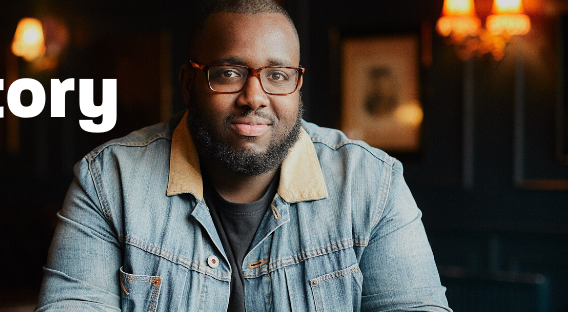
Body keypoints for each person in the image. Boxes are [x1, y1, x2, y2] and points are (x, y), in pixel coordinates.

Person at [36, 0, 452, 311]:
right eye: (229, 73)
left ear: (298, 85)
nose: (254, 97)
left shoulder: (371, 183)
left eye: (277, 76)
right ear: (188, 83)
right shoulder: (109, 181)